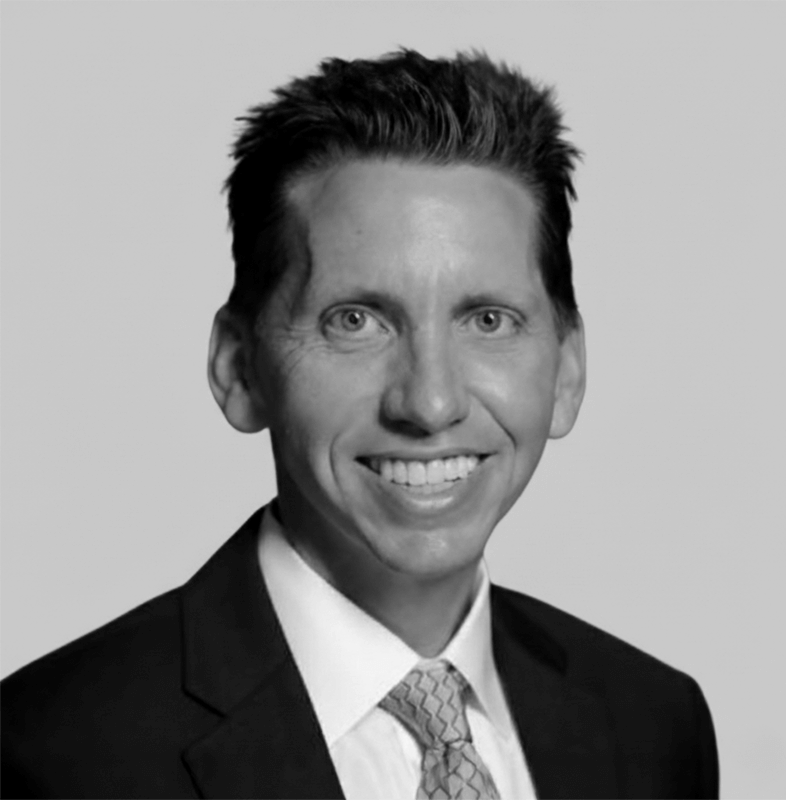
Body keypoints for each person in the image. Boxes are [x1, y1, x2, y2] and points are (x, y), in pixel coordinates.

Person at [0, 49, 718, 799]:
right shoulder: (53, 756)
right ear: (239, 368)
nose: (430, 403)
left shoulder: (652, 724)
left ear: (566, 372)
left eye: (488, 320)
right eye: (355, 321)